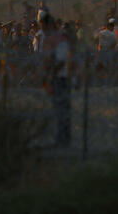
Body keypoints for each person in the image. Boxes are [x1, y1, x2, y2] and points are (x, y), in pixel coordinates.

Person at [40, 12, 72, 147]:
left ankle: (63, 139)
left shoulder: (60, 39)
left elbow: (60, 62)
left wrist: (50, 75)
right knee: (58, 111)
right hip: (56, 78)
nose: (42, 29)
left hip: (60, 79)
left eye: (43, 26)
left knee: (62, 110)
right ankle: (61, 138)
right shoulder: (51, 39)